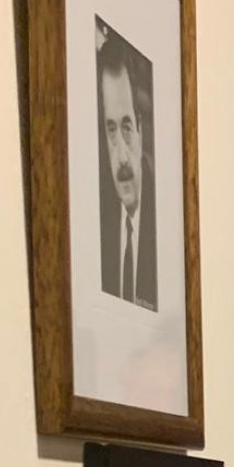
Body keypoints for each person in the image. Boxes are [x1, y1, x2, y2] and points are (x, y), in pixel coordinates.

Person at [97, 32, 157, 312]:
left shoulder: (162, 223)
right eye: (111, 130)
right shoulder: (100, 225)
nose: (121, 156)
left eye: (127, 127)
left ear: (141, 128)